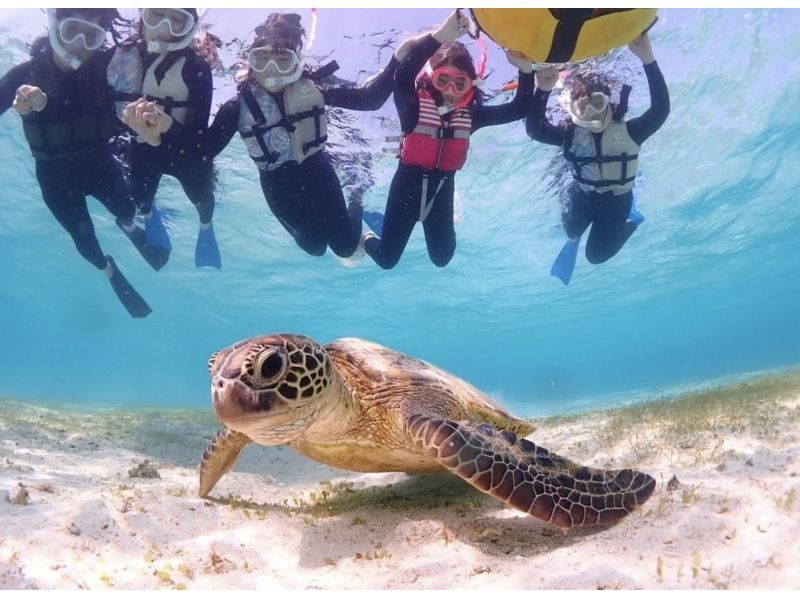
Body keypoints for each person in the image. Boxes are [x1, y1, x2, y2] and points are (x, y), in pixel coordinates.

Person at [179, 12, 405, 259]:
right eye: (262, 60)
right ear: (251, 63)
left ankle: (357, 195)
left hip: (318, 170)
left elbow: (371, 100)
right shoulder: (237, 108)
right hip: (277, 184)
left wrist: (399, 58)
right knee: (314, 247)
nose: (272, 71)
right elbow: (203, 152)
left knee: (345, 248)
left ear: (296, 63)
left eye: (282, 61)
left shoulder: (313, 90)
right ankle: (332, 226)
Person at [0, 8, 154, 318]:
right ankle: (108, 269)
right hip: (54, 176)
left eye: (92, 36)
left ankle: (127, 225)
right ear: (54, 27)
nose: (80, 44)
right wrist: (29, 103)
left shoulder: (105, 71)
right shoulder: (23, 76)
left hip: (98, 164)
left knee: (126, 209)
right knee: (84, 239)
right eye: (72, 31)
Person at [362, 10, 534, 269]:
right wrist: (439, 37)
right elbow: (404, 75)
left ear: (471, 85)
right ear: (431, 79)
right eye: (443, 81)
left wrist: (526, 71)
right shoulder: (413, 108)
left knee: (442, 258)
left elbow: (518, 109)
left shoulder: (472, 116)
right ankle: (366, 239)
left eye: (460, 84)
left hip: (443, 190)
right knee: (387, 259)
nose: (451, 92)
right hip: (405, 190)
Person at [526, 32, 669, 284]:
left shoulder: (630, 131)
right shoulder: (569, 135)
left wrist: (648, 58)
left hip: (618, 203)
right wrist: (544, 90)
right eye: (582, 107)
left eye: (598, 103)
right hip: (585, 195)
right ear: (573, 110)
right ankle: (569, 203)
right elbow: (535, 129)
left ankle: (633, 222)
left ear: (611, 104)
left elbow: (660, 110)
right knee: (571, 231)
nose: (591, 113)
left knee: (596, 256)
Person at [107, 8, 221, 269]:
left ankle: (206, 226)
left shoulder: (197, 67)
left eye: (177, 20)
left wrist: (163, 132)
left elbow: (199, 136)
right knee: (140, 199)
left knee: (201, 197)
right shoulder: (125, 57)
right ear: (142, 18)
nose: (165, 27)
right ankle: (149, 214)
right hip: (142, 148)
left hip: (184, 150)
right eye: (156, 15)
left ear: (189, 28)